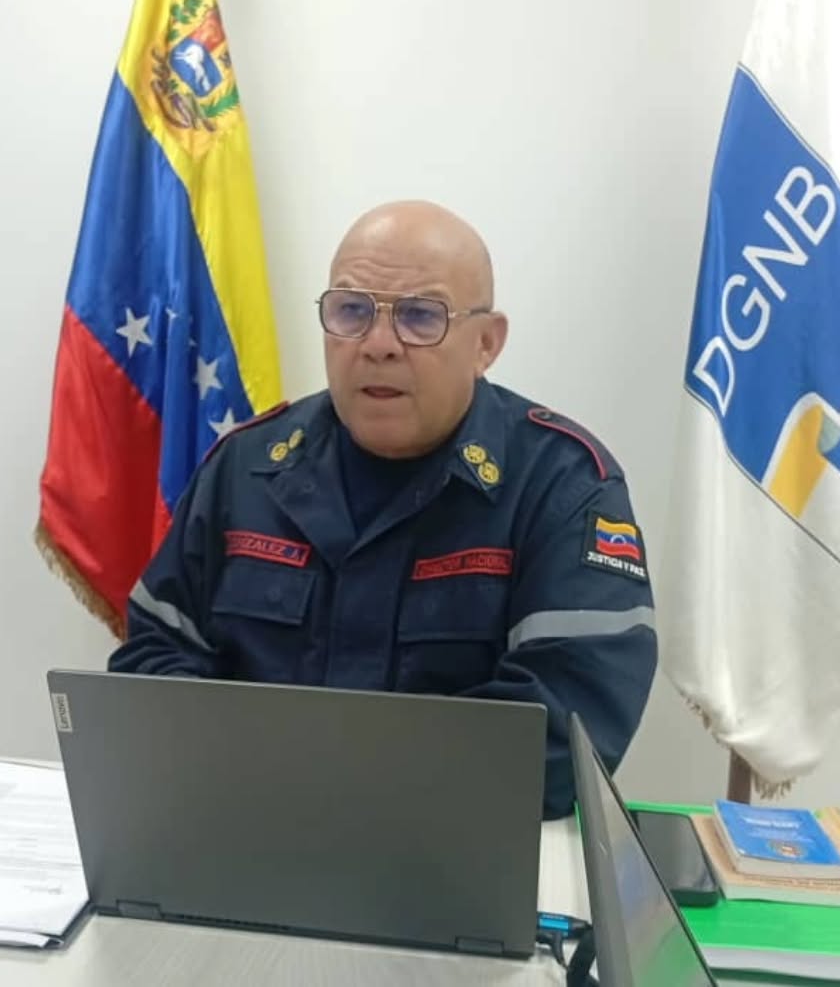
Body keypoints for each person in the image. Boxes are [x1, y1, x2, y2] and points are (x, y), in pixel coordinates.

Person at [108, 200, 657, 818]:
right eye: (350, 311)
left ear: (486, 344)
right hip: (243, 828)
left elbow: (565, 730)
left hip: (458, 850)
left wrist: (325, 786)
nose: (377, 345)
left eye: (421, 317)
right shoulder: (246, 467)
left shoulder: (562, 484)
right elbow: (153, 661)